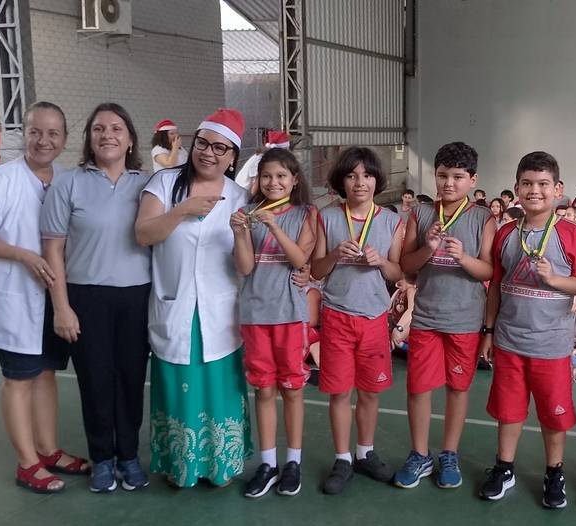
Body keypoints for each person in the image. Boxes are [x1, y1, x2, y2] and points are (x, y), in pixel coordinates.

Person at [0, 101, 87, 494]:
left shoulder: (67, 179)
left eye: (53, 133)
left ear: (64, 138)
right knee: (19, 379)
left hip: (54, 296)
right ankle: (27, 463)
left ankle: (49, 451)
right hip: (16, 298)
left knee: (47, 373)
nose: (43, 141)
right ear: (24, 135)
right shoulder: (2, 181)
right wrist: (23, 255)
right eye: (35, 132)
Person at [134, 108, 252, 488]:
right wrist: (182, 210)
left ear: (232, 157)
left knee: (219, 389)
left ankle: (222, 466)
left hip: (220, 313)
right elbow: (143, 234)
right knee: (179, 387)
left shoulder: (240, 197)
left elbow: (247, 261)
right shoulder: (164, 183)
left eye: (220, 148)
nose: (208, 153)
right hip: (175, 306)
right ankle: (180, 465)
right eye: (203, 143)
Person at [41, 102, 152, 493]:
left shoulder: (147, 185)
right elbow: (53, 250)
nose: (108, 135)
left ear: (130, 139)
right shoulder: (68, 184)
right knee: (96, 380)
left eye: (117, 128)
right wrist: (61, 306)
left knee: (131, 379)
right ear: (89, 138)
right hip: (86, 298)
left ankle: (129, 456)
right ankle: (102, 459)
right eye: (99, 129)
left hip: (137, 297)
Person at [478, 151, 576, 509]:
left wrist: (554, 279)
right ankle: (504, 467)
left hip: (552, 344)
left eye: (543, 184)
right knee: (508, 411)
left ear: (558, 189)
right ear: (516, 189)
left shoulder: (571, 233)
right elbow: (495, 288)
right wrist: (488, 331)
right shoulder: (505, 233)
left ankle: (554, 472)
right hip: (509, 340)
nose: (535, 190)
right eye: (527, 183)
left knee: (553, 414)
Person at [396, 142, 495, 489]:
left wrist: (463, 257)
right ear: (434, 176)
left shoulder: (483, 217)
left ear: (472, 180)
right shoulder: (421, 213)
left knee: (457, 389)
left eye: (457, 176)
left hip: (464, 320)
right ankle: (420, 454)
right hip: (426, 317)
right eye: (442, 175)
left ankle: (449, 453)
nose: (449, 183)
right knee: (419, 388)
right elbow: (406, 266)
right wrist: (429, 248)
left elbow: (488, 270)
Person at [311, 147, 403, 495]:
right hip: (337, 316)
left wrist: (381, 262)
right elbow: (316, 270)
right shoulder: (327, 217)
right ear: (341, 181)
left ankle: (365, 452)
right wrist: (335, 254)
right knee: (339, 392)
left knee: (370, 391)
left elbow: (397, 272)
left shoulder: (391, 221)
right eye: (351, 175)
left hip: (374, 318)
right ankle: (342, 458)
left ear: (377, 180)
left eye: (366, 175)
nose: (359, 182)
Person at [230, 148, 317, 498]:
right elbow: (245, 267)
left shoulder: (305, 213)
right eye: (266, 176)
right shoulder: (248, 213)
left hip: (290, 315)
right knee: (264, 390)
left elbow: (299, 259)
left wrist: (275, 227)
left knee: (292, 389)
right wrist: (239, 233)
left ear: (294, 180)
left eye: (281, 176)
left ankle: (293, 461)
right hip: (255, 315)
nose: (273, 182)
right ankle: (268, 463)